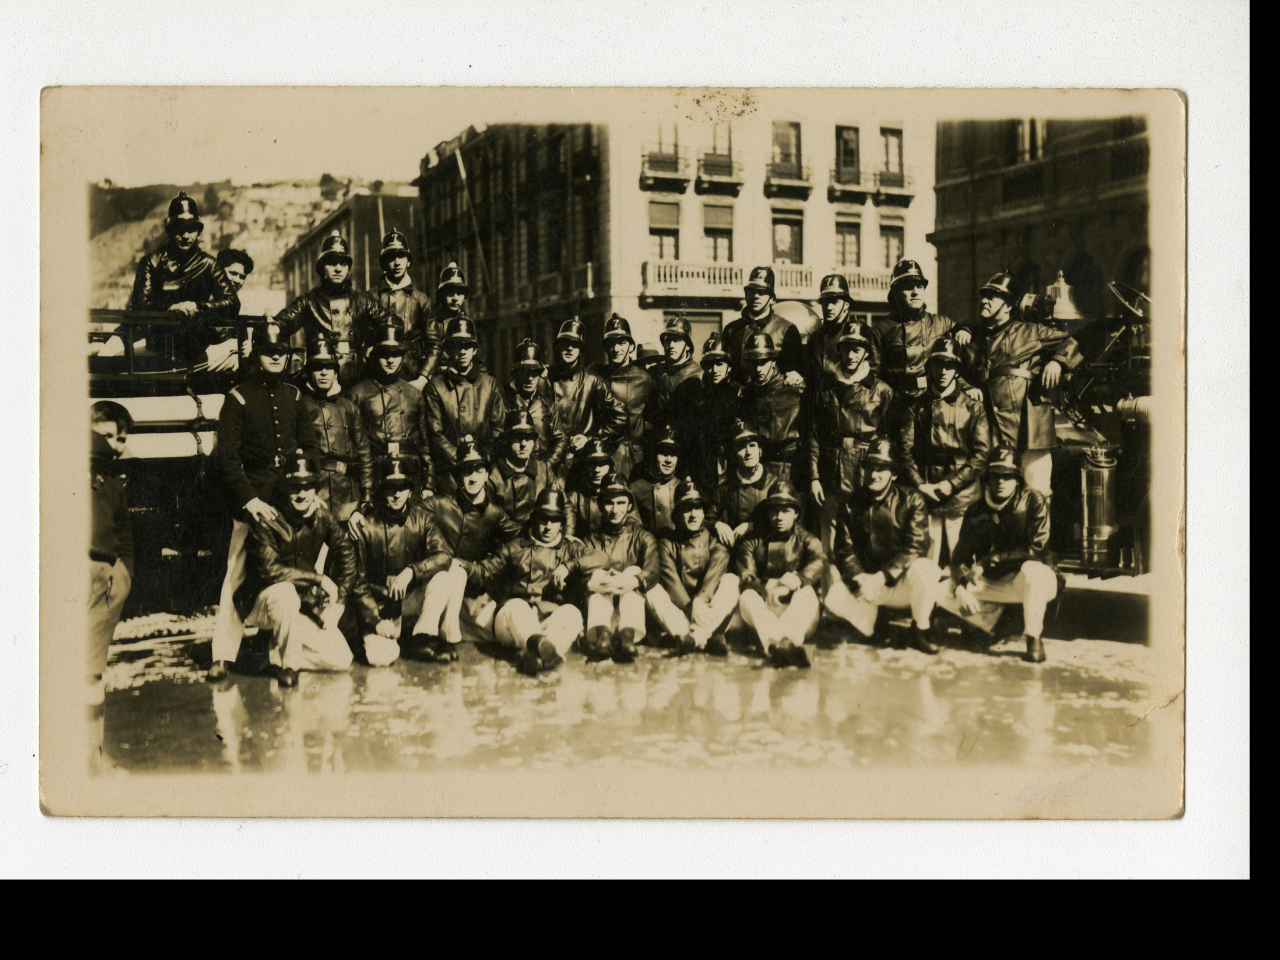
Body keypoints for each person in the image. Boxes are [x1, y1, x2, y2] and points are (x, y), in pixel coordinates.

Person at [208, 321, 320, 681]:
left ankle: (284, 655)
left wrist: (310, 489)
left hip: (290, 502)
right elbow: (227, 458)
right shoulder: (238, 397)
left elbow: (312, 447)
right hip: (254, 502)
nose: (276, 356)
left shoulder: (295, 396)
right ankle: (223, 655)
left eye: (282, 352)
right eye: (270, 351)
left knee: (294, 577)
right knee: (237, 576)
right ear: (257, 354)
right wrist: (249, 501)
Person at [234, 454, 357, 688]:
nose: (301, 494)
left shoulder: (322, 516)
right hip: (261, 604)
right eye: (295, 487)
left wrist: (340, 599)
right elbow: (271, 572)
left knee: (341, 659)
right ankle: (289, 665)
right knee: (285, 592)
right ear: (285, 488)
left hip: (299, 606)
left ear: (316, 490)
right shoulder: (268, 517)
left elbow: (347, 552)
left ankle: (266, 657)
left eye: (308, 486)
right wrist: (319, 580)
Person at [824, 437, 944, 655]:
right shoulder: (850, 503)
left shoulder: (912, 499)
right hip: (868, 585)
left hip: (899, 584)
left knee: (926, 569)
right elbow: (844, 551)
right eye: (870, 467)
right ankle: (875, 623)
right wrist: (858, 577)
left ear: (894, 473)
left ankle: (920, 630)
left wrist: (882, 576)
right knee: (833, 595)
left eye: (882, 468)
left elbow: (915, 547)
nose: (875, 474)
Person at [468, 489, 606, 676]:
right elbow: (484, 571)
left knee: (572, 613)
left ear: (562, 523)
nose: (548, 526)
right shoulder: (515, 546)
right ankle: (536, 644)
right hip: (511, 626)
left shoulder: (570, 548)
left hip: (548, 620)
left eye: (554, 520)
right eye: (543, 519)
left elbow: (603, 558)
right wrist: (465, 568)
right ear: (534, 519)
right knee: (517, 606)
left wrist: (568, 566)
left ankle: (537, 658)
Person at [945, 445, 1061, 663]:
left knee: (1033, 571)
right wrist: (961, 587)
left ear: (1017, 479)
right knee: (939, 586)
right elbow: (959, 558)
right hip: (994, 583)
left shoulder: (1034, 500)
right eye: (995, 476)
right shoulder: (976, 510)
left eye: (1008, 476)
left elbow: (1037, 549)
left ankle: (1033, 636)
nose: (1000, 482)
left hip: (1029, 581)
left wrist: (987, 561)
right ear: (988, 478)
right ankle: (990, 620)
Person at [409, 437, 522, 661]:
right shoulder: (440, 504)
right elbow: (407, 517)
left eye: (479, 470)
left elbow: (521, 536)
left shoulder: (493, 512)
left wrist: (486, 566)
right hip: (431, 586)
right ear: (458, 475)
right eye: (466, 470)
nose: (472, 477)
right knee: (453, 570)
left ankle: (445, 635)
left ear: (487, 474)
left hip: (468, 594)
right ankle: (443, 637)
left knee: (461, 573)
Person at [970, 272, 1071, 503]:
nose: (984, 301)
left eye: (992, 297)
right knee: (995, 498)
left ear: (1007, 306)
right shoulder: (976, 335)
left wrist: (1058, 362)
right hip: (993, 431)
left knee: (1037, 496)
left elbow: (1070, 340)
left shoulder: (1030, 331)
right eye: (984, 296)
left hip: (1030, 431)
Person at [899, 335, 993, 565]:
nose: (943, 371)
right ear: (929, 367)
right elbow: (905, 452)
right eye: (938, 364)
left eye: (949, 365)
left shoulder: (973, 407)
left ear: (957, 370)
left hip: (962, 493)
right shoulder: (916, 406)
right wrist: (921, 484)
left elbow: (981, 455)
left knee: (959, 559)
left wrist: (951, 484)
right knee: (927, 560)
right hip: (927, 489)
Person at [807, 318, 894, 550]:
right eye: (846, 348)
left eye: (857, 349)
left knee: (863, 539)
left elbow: (888, 437)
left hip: (864, 474)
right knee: (830, 543)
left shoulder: (881, 390)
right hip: (830, 474)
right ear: (839, 350)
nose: (851, 355)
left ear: (866, 352)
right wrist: (814, 477)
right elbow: (814, 435)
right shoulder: (825, 389)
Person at [342, 458, 438, 667]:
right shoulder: (366, 526)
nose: (396, 494)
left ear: (410, 491)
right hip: (379, 606)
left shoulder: (422, 519)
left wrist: (412, 571)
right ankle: (366, 638)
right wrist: (375, 619)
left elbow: (443, 556)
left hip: (410, 601)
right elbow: (357, 581)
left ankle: (419, 637)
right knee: (382, 657)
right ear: (381, 490)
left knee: (446, 577)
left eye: (401, 488)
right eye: (390, 488)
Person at [273, 230, 398, 388]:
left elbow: (394, 324)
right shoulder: (308, 302)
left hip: (359, 381)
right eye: (332, 263)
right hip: (320, 382)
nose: (338, 268)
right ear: (321, 268)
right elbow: (276, 327)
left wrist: (369, 347)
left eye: (343, 263)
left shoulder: (363, 301)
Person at [127, 190, 238, 362]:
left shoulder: (209, 265)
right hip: (156, 349)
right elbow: (141, 305)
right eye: (180, 229)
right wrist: (170, 309)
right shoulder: (151, 263)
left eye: (191, 229)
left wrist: (198, 306)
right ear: (170, 231)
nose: (185, 236)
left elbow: (232, 303)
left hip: (197, 351)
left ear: (198, 232)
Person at [870, 258, 975, 432]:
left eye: (919, 286)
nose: (915, 292)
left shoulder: (940, 323)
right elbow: (873, 380)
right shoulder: (881, 330)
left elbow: (956, 364)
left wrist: (965, 330)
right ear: (896, 292)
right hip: (896, 410)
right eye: (908, 287)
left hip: (933, 408)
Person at [733, 482, 826, 668]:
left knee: (807, 594)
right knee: (747, 596)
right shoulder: (753, 540)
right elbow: (746, 576)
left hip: (795, 610)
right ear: (767, 513)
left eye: (786, 511)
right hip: (766, 608)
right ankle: (785, 648)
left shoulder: (807, 539)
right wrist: (772, 584)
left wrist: (796, 581)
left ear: (796, 514)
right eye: (774, 511)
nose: (779, 517)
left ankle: (780, 644)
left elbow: (819, 562)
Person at [349, 323, 432, 529]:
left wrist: (428, 484)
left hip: (408, 475)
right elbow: (355, 445)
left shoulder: (413, 393)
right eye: (384, 353)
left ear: (403, 357)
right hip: (376, 472)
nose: (390, 359)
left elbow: (425, 444)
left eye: (395, 354)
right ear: (375, 355)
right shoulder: (358, 393)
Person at [88, 401, 134, 772]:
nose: (113, 445)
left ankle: (93, 754)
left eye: (120, 439)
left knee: (92, 666)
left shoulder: (115, 481)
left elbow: (125, 535)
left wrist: (124, 576)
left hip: (107, 572)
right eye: (105, 436)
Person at [647, 477, 738, 656]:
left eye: (698, 508)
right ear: (677, 515)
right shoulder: (666, 543)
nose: (693, 515)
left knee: (731, 580)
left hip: (708, 609)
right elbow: (671, 580)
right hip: (680, 610)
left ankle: (692, 639)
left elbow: (714, 577)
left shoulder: (715, 541)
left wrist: (699, 602)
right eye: (687, 508)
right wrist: (690, 606)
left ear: (704, 513)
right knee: (652, 590)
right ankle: (703, 638)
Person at [581, 472, 661, 663]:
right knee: (598, 573)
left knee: (633, 572)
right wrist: (597, 584)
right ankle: (604, 639)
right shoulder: (589, 540)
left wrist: (630, 581)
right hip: (599, 616)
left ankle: (627, 638)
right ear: (600, 505)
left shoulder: (643, 537)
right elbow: (580, 576)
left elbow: (653, 569)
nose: (615, 510)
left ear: (629, 505)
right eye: (609, 503)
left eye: (621, 503)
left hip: (632, 616)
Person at [424, 315, 505, 494]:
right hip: (451, 474)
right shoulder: (435, 387)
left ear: (474, 350)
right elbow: (435, 434)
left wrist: (483, 461)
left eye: (467, 345)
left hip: (484, 470)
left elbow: (499, 428)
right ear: (448, 349)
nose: (462, 352)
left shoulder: (489, 384)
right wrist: (460, 460)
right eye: (456, 345)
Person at [547, 317, 626, 481]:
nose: (569, 348)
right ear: (557, 347)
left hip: (583, 462)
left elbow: (620, 416)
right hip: (551, 461)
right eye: (565, 343)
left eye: (575, 344)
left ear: (581, 350)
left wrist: (590, 438)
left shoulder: (593, 381)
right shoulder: (545, 378)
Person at [298, 336, 360, 523]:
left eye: (329, 367)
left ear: (336, 372)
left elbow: (364, 457)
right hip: (317, 494)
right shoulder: (300, 406)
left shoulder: (350, 407)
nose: (324, 373)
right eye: (317, 367)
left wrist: (364, 502)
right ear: (308, 372)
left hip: (348, 495)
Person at [374, 228, 442, 391]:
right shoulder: (371, 297)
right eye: (391, 257)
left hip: (412, 378)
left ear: (409, 261)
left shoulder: (421, 300)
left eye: (401, 256)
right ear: (384, 263)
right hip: (378, 380)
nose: (397, 263)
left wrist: (422, 378)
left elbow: (434, 345)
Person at [736, 332, 806, 483]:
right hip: (761, 469)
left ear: (773, 361)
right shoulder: (747, 394)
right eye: (754, 362)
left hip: (792, 468)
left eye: (763, 362)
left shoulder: (794, 387)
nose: (759, 368)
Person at [720, 266, 808, 386]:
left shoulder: (787, 329)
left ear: (772, 298)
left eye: (762, 292)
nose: (756, 296)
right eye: (752, 291)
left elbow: (793, 372)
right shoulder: (731, 329)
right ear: (746, 294)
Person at [595, 313, 655, 481]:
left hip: (638, 456)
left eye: (622, 343)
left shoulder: (645, 379)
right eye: (611, 343)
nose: (616, 349)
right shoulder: (597, 377)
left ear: (631, 346)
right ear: (606, 347)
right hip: (608, 453)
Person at [502, 338, 568, 472]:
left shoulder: (547, 405)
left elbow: (560, 439)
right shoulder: (504, 404)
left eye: (534, 372)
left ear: (540, 375)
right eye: (525, 372)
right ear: (516, 374)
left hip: (543, 472)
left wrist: (546, 468)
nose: (530, 378)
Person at [489, 409, 560, 527]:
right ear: (508, 440)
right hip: (506, 542)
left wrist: (568, 532)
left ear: (534, 442)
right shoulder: (494, 476)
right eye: (517, 437)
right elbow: (491, 518)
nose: (523, 444)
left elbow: (564, 503)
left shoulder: (544, 470)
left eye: (528, 437)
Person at [715, 418, 777, 549]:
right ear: (734, 454)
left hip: (766, 551)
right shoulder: (725, 488)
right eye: (741, 447)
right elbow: (706, 517)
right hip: (734, 552)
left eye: (752, 445)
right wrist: (716, 524)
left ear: (760, 451)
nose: (748, 452)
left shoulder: (775, 484)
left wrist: (752, 525)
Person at [689, 331, 738, 494]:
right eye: (710, 365)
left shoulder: (738, 395)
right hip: (704, 469)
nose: (715, 370)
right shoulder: (697, 398)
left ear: (729, 367)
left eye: (720, 364)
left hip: (731, 468)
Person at [651, 314, 704, 450]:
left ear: (687, 345)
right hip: (659, 443)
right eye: (668, 340)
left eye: (677, 340)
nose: (671, 345)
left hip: (687, 446)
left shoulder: (700, 375)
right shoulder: (656, 371)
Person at [200, 248, 254, 380]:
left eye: (242, 277)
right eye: (233, 273)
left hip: (222, 356)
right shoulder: (205, 294)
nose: (237, 280)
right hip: (198, 356)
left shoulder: (235, 303)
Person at [628, 424, 683, 539]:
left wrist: (716, 524)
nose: (668, 460)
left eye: (673, 455)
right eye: (663, 453)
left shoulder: (682, 487)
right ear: (653, 454)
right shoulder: (635, 489)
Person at [809, 273, 857, 379]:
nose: (829, 307)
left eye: (835, 302)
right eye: (825, 302)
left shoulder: (859, 333)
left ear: (846, 304)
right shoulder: (815, 338)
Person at [565, 438, 615, 539]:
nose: (597, 470)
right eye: (591, 464)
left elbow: (634, 525)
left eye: (601, 464)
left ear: (609, 466)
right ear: (584, 467)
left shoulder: (619, 492)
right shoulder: (575, 495)